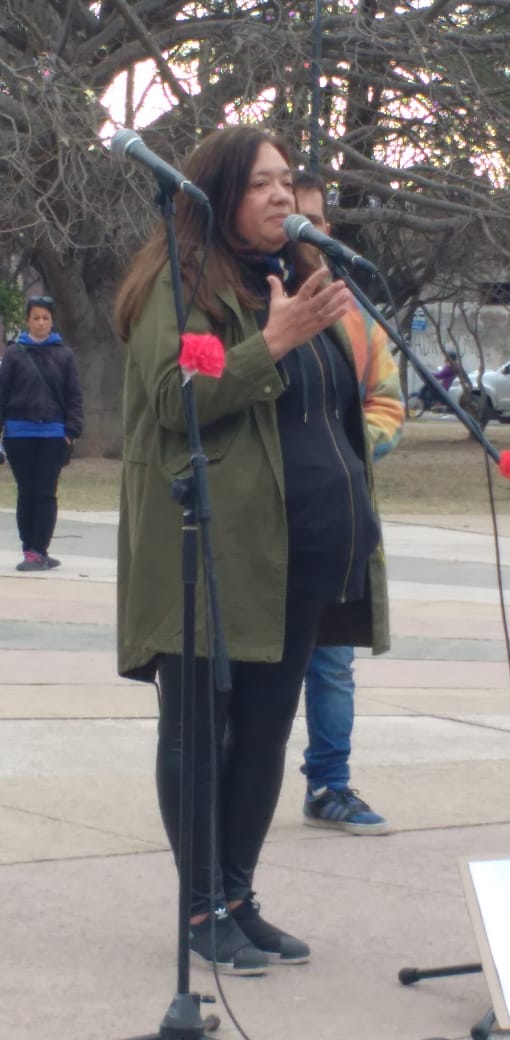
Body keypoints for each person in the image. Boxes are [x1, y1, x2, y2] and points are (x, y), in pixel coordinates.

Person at [115, 126, 390, 977]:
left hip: (296, 553)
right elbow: (177, 396)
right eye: (262, 183)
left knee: (268, 730)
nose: (282, 196)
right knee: (201, 732)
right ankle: (199, 905)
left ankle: (237, 895)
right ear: (215, 194)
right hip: (213, 550)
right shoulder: (183, 284)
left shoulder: (294, 279)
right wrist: (272, 340)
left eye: (287, 182)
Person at [293, 171, 405, 835]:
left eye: (315, 219)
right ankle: (223, 782)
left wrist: (340, 448)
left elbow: (388, 404)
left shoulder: (356, 315)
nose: (307, 232)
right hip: (262, 521)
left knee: (331, 663)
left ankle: (328, 785)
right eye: (292, 220)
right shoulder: (248, 301)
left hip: (338, 518)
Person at [0, 295, 83, 571]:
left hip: (53, 434)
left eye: (45, 317)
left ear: (52, 321)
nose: (40, 323)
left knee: (46, 491)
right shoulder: (13, 354)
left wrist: (70, 432)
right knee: (27, 491)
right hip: (18, 434)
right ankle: (30, 548)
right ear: (27, 321)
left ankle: (39, 549)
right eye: (35, 317)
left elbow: (74, 398)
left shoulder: (64, 355)